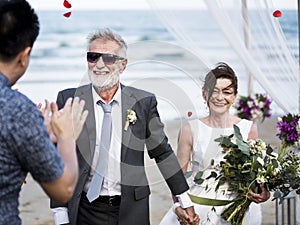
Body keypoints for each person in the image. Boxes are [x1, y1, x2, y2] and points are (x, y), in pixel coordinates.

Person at [50, 28, 200, 225]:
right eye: (93, 57)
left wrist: (183, 198)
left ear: (123, 65)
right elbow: (57, 158)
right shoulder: (69, 99)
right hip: (84, 208)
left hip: (131, 209)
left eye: (109, 58)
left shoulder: (143, 102)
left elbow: (162, 152)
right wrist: (60, 212)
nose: (100, 64)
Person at [0, 0, 88, 224]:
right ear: (23, 56)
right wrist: (66, 136)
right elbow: (64, 189)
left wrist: (38, 142)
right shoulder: (17, 110)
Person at [160, 62, 270, 225]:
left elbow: (255, 175)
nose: (220, 97)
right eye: (215, 91)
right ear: (205, 95)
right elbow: (178, 178)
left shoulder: (248, 129)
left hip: (234, 211)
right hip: (198, 209)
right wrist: (177, 205)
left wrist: (264, 192)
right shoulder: (189, 129)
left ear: (234, 96)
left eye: (227, 92)